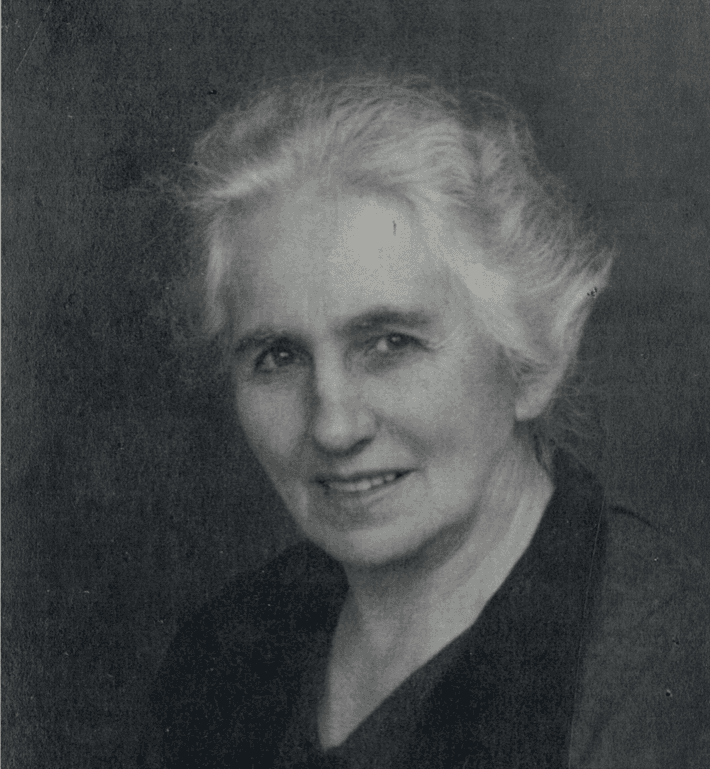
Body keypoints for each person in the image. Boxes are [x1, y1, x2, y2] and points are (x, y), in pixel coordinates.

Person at [139, 72, 709, 768]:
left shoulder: (670, 675)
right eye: (279, 356)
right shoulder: (222, 655)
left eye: (390, 344)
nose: (333, 427)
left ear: (531, 363)